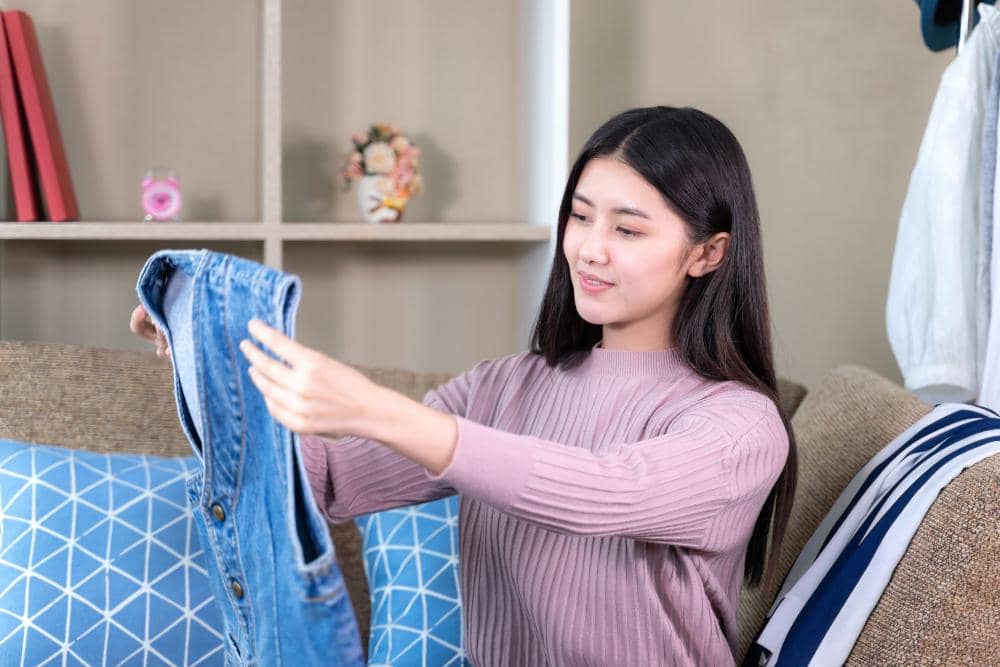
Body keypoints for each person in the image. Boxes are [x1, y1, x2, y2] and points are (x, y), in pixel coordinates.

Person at [131, 105, 796, 666]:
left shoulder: (739, 426)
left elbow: (605, 489)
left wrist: (376, 408)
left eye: (626, 229)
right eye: (581, 216)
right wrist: (207, 362)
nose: (591, 248)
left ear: (708, 252)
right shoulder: (501, 388)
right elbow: (328, 479)